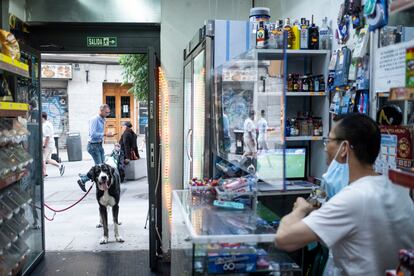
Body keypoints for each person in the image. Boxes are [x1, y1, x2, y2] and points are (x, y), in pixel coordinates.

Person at [275, 113, 414, 275]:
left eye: (330, 140)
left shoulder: (352, 198)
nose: (326, 147)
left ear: (345, 148)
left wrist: (300, 208)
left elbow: (284, 239)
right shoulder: (398, 188)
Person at [77, 104, 114, 191]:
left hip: (99, 145)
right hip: (93, 146)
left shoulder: (102, 119)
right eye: (106, 112)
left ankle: (85, 177)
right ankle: (83, 180)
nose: (108, 114)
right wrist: (105, 135)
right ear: (101, 111)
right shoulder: (95, 119)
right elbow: (92, 134)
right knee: (99, 167)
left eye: (109, 112)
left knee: (102, 166)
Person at [41, 112, 64, 177]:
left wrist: (44, 146)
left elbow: (47, 137)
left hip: (48, 145)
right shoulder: (47, 124)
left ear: (42, 118)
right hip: (50, 144)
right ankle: (60, 166)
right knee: (47, 159)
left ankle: (44, 174)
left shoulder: (46, 125)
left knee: (42, 160)